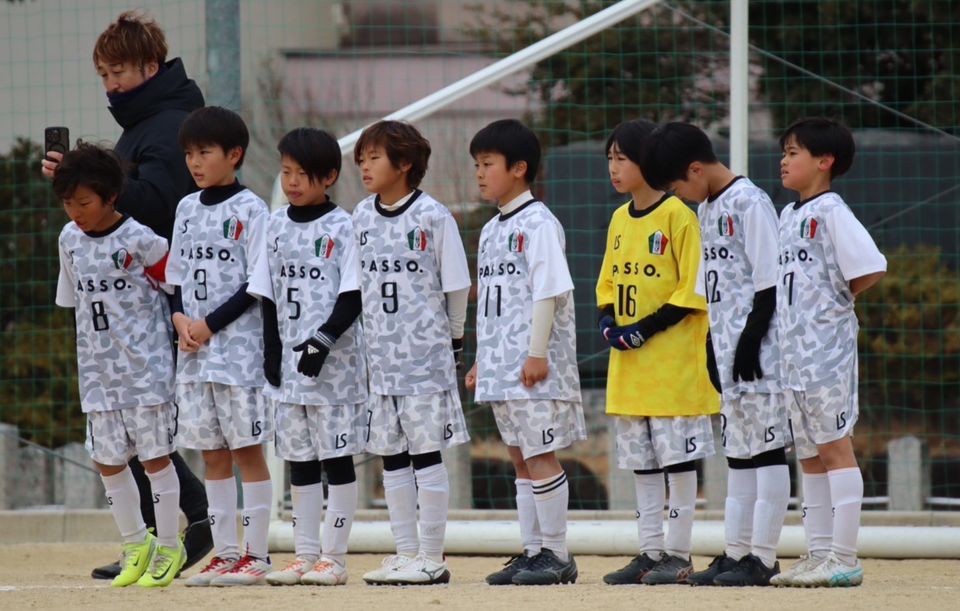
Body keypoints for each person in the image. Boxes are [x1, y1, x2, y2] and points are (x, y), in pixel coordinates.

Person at [40, 10, 211, 580]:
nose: (111, 85)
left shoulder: (167, 125)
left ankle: (189, 526)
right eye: (104, 75)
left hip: (156, 307)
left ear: (150, 67)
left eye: (119, 72)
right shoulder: (145, 122)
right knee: (126, 439)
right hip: (123, 319)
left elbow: (158, 207)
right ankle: (164, 534)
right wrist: (81, 182)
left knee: (150, 437)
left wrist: (100, 185)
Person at [641, 122, 790, 586]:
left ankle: (763, 557)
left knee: (766, 450)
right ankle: (736, 552)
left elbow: (770, 280)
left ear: (696, 168)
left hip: (759, 354)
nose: (679, 196)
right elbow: (711, 287)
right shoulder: (707, 207)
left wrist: (752, 340)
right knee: (739, 454)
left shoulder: (750, 202)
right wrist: (711, 343)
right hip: (726, 351)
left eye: (677, 187)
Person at [53, 142, 185, 587]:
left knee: (155, 459)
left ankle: (169, 545)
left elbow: (176, 287)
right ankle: (135, 543)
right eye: (67, 203)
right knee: (106, 460)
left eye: (84, 202)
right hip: (97, 371)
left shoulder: (141, 240)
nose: (75, 212)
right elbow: (72, 300)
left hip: (147, 369)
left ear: (111, 196)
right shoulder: (69, 240)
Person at [596, 119, 719, 585]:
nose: (613, 168)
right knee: (641, 464)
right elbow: (607, 284)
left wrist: (645, 329)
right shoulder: (619, 219)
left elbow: (693, 290)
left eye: (622, 158)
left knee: (677, 461)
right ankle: (649, 551)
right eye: (609, 158)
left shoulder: (679, 216)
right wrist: (608, 323)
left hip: (674, 369)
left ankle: (679, 553)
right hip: (630, 370)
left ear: (648, 161)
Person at [463, 119, 585, 586]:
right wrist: (482, 358)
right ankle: (533, 550)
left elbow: (548, 292)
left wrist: (536, 353)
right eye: (477, 165)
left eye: (487, 164)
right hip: (501, 365)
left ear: (519, 168)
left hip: (533, 366)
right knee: (519, 457)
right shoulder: (491, 229)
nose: (480, 173)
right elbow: (492, 305)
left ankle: (556, 553)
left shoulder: (539, 223)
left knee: (539, 454)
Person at [352, 120, 471, 585]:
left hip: (425, 359)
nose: (364, 167)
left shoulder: (433, 216)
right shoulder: (361, 216)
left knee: (426, 455)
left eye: (374, 158)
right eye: (361, 159)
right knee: (392, 458)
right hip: (381, 362)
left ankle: (432, 556)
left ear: (404, 163)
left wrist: (455, 342)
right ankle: (404, 553)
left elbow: (456, 286)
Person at [768, 118, 885, 588]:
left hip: (827, 352)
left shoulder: (832, 211)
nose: (783, 160)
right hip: (792, 355)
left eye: (793, 152)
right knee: (810, 455)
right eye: (784, 151)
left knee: (835, 449)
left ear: (824, 161)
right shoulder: (787, 214)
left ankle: (844, 557)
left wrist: (836, 301)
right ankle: (818, 554)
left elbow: (871, 267)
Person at [248, 128, 366, 586]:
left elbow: (353, 295)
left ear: (329, 176)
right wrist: (271, 348)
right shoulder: (275, 224)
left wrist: (323, 340)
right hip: (290, 370)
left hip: (333, 369)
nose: (292, 182)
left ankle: (333, 558)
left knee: (336, 459)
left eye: (302, 174)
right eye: (286, 172)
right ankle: (304, 554)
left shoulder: (344, 226)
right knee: (300, 461)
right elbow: (266, 292)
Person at [165, 106, 275, 587]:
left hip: (238, 353)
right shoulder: (186, 208)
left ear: (234, 155)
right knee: (212, 454)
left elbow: (257, 283)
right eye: (189, 153)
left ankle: (257, 554)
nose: (195, 161)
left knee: (246, 450)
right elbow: (175, 278)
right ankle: (225, 553)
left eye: (204, 152)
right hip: (195, 354)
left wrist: (209, 324)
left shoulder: (253, 210)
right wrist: (180, 319)